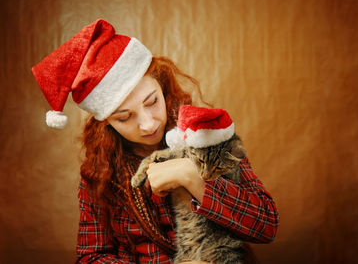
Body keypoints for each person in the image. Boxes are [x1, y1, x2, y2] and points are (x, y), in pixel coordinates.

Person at [32, 19, 279, 263]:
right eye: (124, 117)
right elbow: (91, 257)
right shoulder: (99, 172)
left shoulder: (207, 133)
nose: (148, 124)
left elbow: (267, 225)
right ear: (106, 121)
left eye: (152, 102)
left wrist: (193, 178)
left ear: (162, 87)